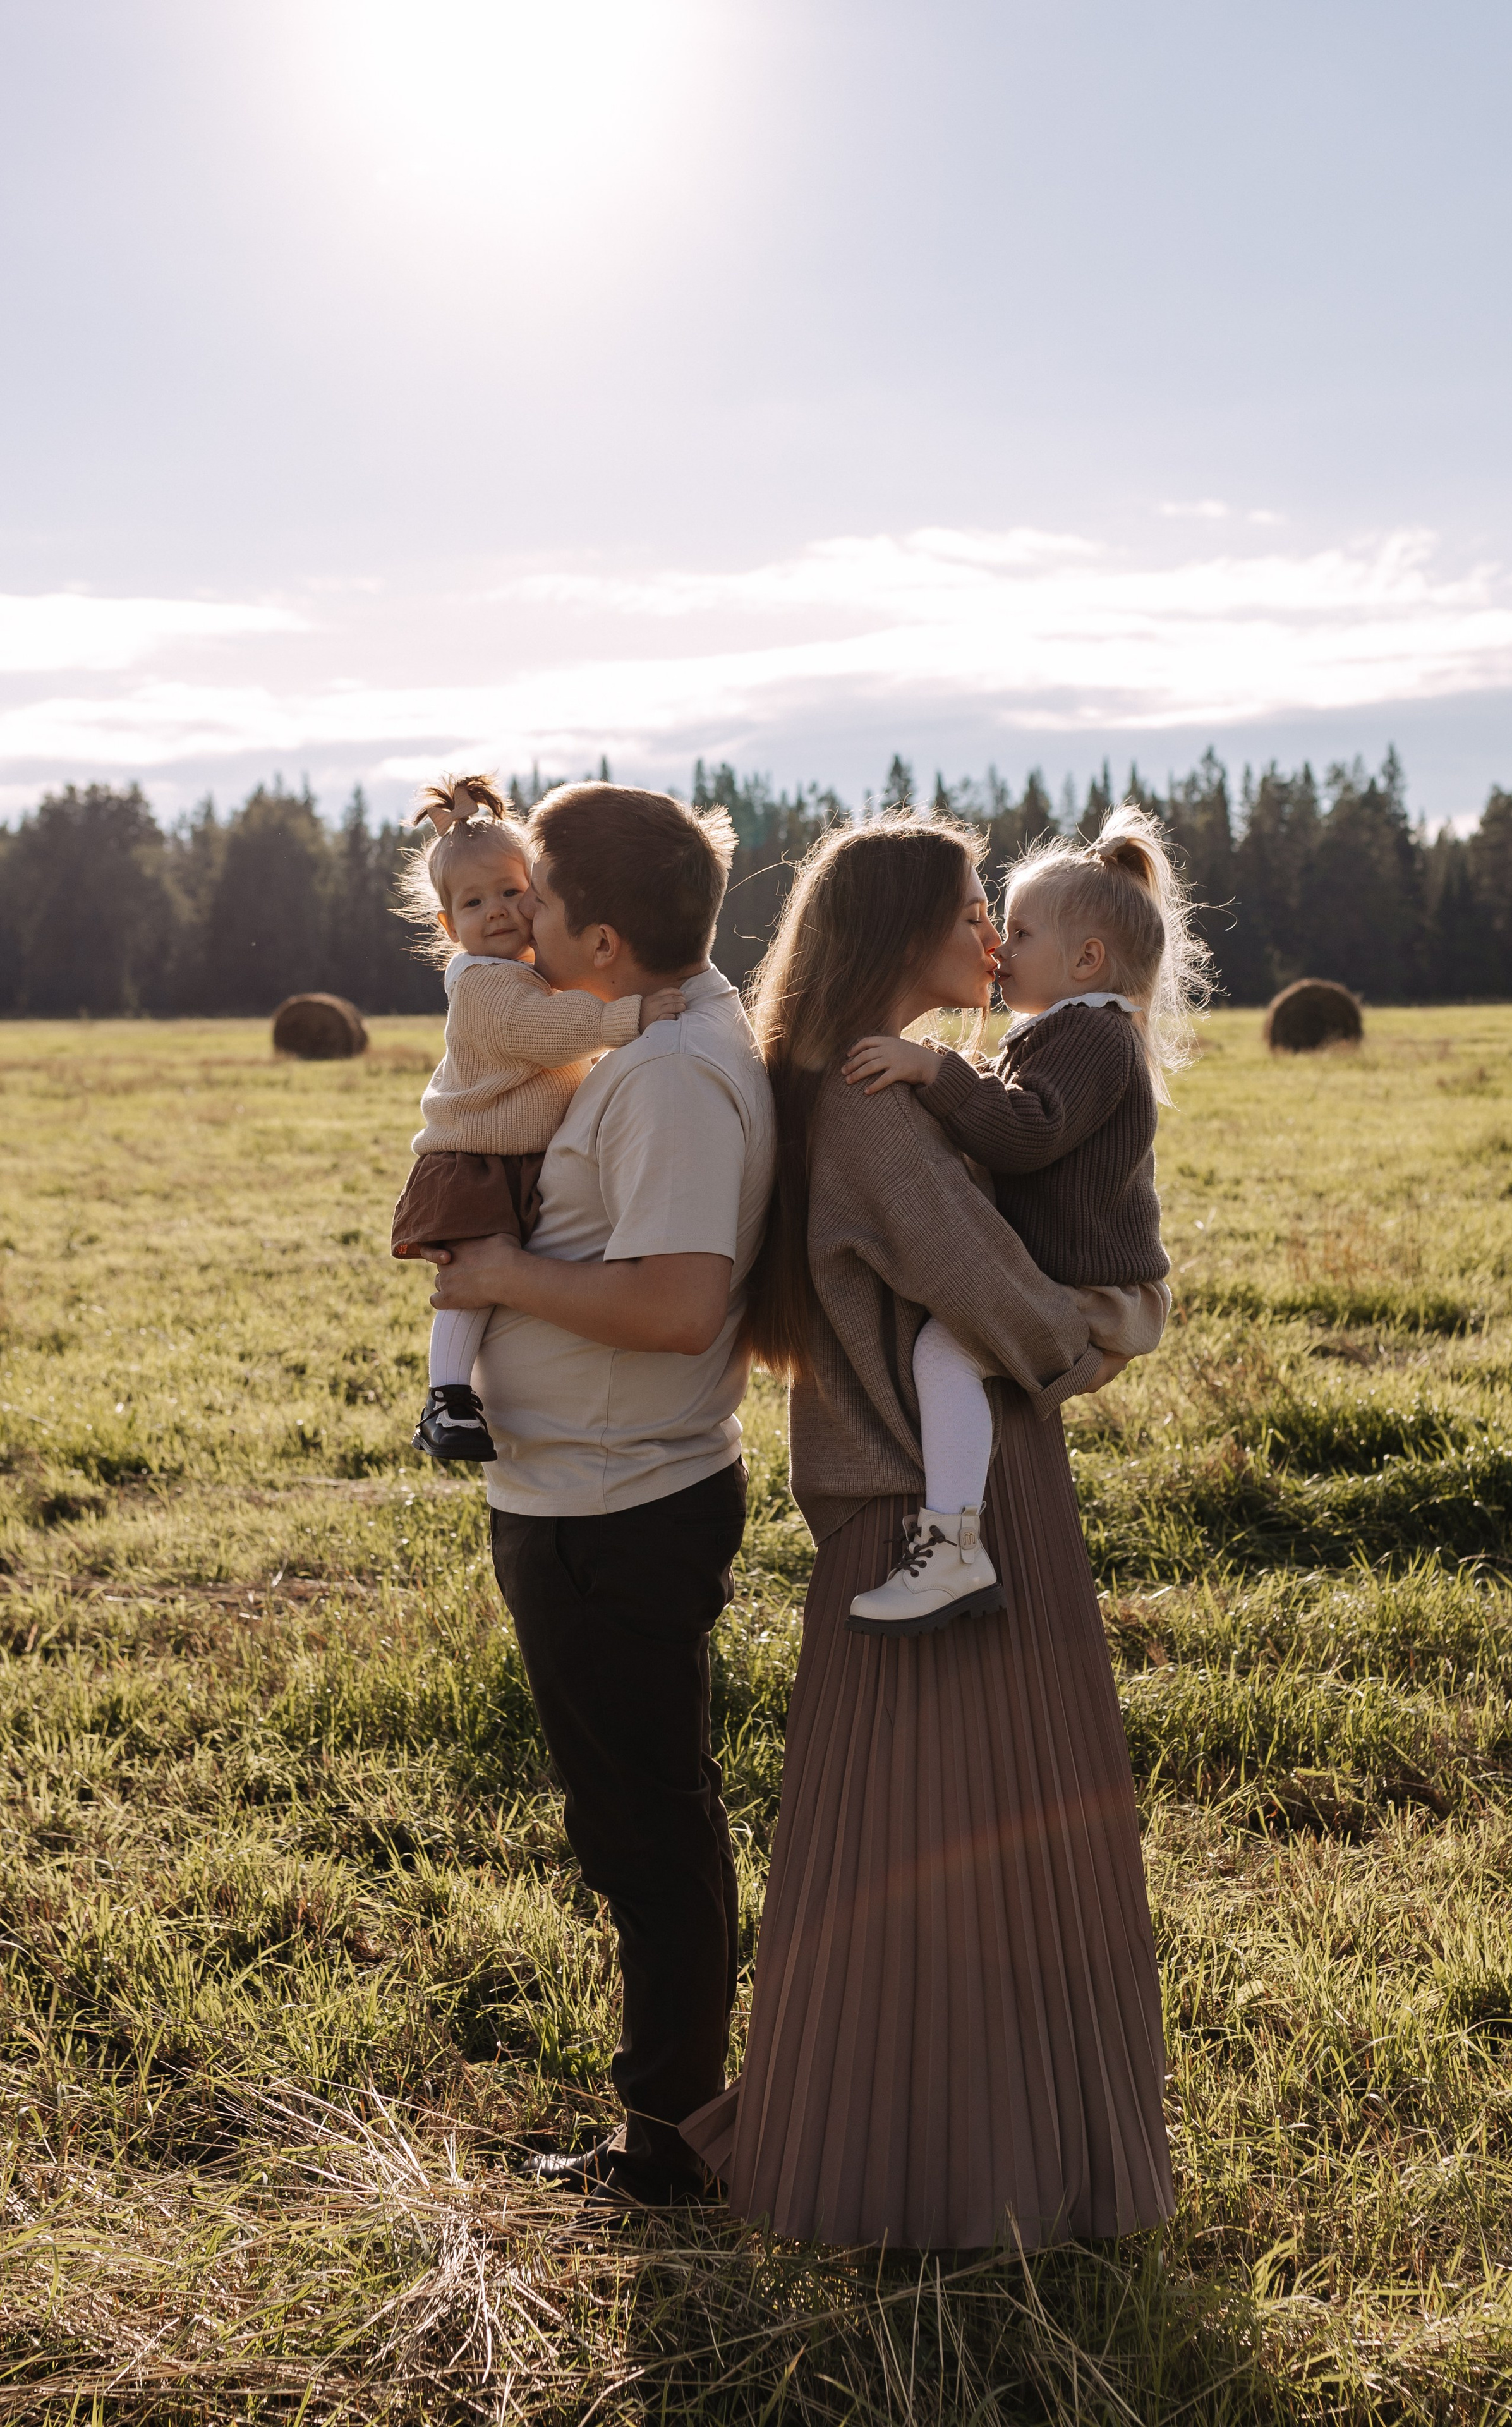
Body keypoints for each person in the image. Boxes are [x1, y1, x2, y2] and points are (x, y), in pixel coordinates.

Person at [681, 814, 1174, 2251]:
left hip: (904, 1503)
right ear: (905, 932)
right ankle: (968, 2178)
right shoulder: (880, 1108)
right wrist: (1101, 1338)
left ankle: (911, 2149)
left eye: (1002, 915)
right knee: (964, 1846)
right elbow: (1002, 1306)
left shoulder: (859, 1090)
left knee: (912, 1845)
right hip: (943, 1509)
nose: (988, 935)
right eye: (971, 909)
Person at [417, 782, 775, 2208]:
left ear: (608, 944)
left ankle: (677, 2142)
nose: (521, 927)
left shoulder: (668, 1075)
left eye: (544, 905)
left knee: (643, 1828)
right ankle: (677, 2120)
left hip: (612, 1508)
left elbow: (684, 1306)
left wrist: (500, 1280)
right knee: (642, 1815)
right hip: (595, 1491)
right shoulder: (674, 1022)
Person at [836, 802, 1210, 1632]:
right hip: (1081, 1281)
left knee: (943, 1350)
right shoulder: (1065, 1029)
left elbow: (1028, 1132)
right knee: (950, 1349)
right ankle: (956, 1536)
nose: (1000, 949)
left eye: (1020, 932)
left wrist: (936, 1071)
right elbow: (1015, 1104)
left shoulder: (1090, 1036)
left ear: (1086, 960)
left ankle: (954, 1544)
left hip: (1098, 1292)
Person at [390, 774, 684, 1462]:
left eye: (511, 892)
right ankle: (447, 1399)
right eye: (472, 902)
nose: (495, 911)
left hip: (515, 1157)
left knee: (505, 1279)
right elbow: (542, 1032)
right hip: (476, 1162)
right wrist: (627, 1016)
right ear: (448, 926)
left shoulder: (529, 973)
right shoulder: (485, 987)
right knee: (471, 1283)